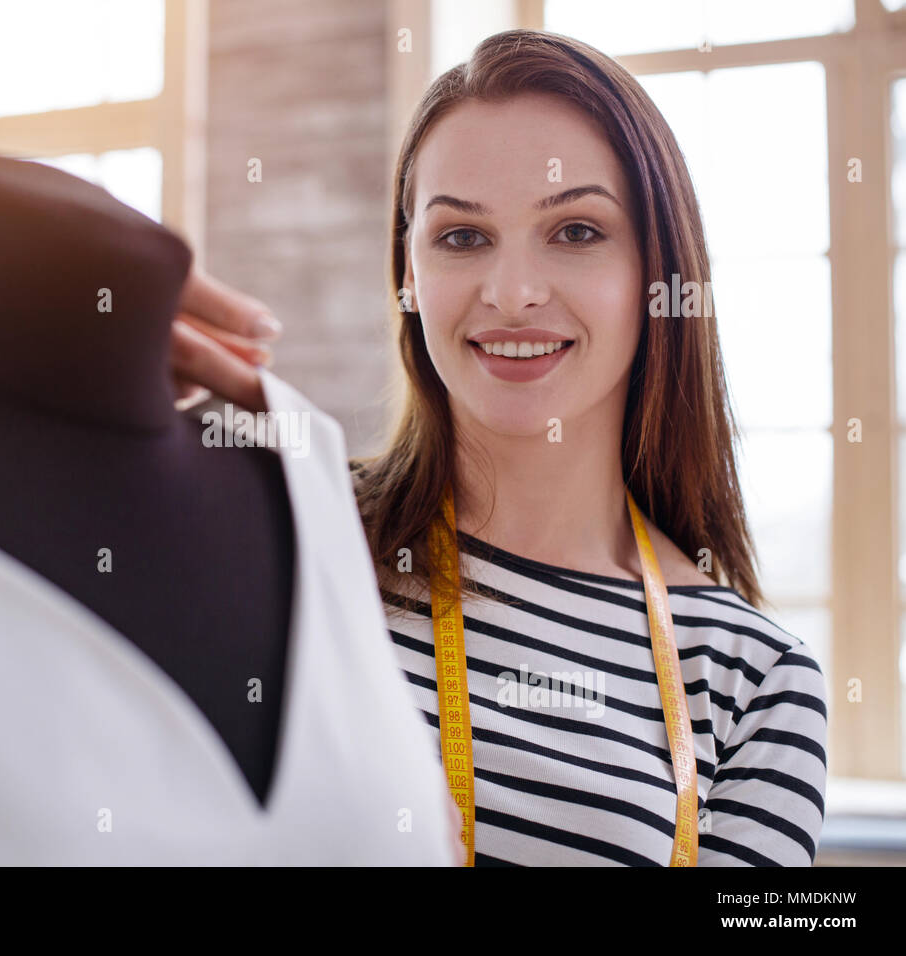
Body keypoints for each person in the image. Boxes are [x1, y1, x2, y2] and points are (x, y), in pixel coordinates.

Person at [172, 29, 828, 866]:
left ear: (657, 273)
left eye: (577, 232)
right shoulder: (285, 533)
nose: (513, 293)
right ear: (407, 276)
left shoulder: (757, 684)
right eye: (462, 237)